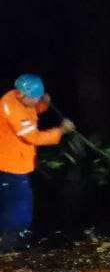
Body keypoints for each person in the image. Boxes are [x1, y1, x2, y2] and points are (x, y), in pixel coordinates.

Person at [0, 74, 75, 250]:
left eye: (38, 97)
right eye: (34, 98)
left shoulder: (17, 99)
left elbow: (31, 111)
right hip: (10, 163)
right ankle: (14, 240)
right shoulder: (13, 108)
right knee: (20, 202)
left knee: (10, 200)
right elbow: (32, 136)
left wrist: (43, 104)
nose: (36, 101)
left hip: (14, 158)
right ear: (22, 94)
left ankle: (8, 237)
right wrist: (61, 131)